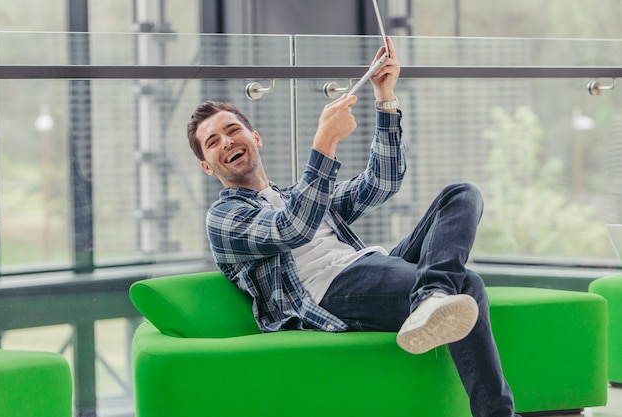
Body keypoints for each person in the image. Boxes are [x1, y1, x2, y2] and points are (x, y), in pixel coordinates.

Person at [187, 37, 519, 417]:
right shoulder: (224, 219)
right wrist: (325, 141)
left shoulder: (301, 193)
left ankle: (430, 295)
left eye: (233, 130)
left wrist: (385, 98)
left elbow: (381, 183)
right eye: (212, 142)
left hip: (364, 265)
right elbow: (291, 229)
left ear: (255, 138)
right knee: (468, 284)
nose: (227, 141)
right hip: (326, 292)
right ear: (208, 166)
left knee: (461, 194)